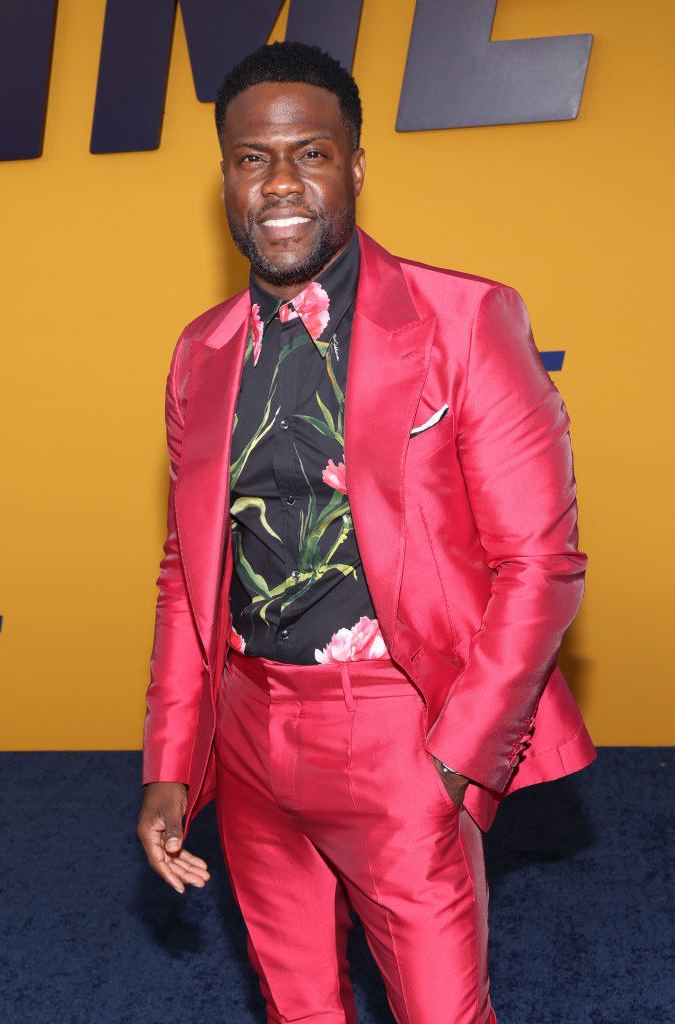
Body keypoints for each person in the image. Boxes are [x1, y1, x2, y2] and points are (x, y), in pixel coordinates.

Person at [136, 41, 595, 1024]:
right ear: (224, 173)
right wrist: (173, 763)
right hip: (247, 735)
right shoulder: (199, 353)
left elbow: (540, 565)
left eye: (310, 152)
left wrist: (455, 755)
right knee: (296, 1006)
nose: (281, 183)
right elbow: (189, 572)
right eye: (253, 158)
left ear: (353, 165)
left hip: (400, 731)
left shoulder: (463, 318)